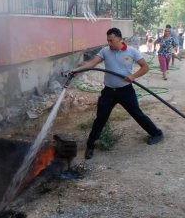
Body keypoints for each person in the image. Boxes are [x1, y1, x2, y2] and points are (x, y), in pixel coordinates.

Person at [69, 27, 164, 159]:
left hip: (126, 90)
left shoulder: (132, 52)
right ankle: (91, 145)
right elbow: (92, 63)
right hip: (108, 92)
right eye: (108, 40)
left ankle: (156, 133)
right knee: (100, 118)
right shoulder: (105, 51)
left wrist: (133, 76)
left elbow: (145, 67)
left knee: (137, 114)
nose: (109, 43)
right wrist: (77, 70)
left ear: (119, 39)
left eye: (111, 40)